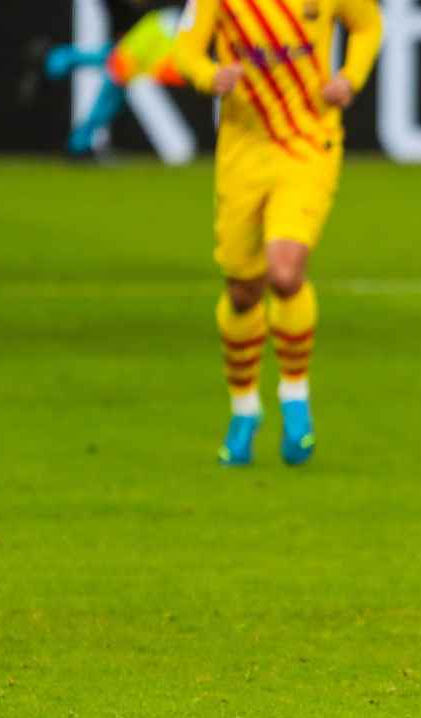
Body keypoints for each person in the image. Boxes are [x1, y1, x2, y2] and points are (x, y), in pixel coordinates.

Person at [172, 0, 381, 466]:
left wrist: (350, 76)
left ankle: (294, 396)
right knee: (243, 291)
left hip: (309, 143)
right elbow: (185, 49)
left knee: (285, 273)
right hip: (243, 152)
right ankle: (245, 408)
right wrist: (210, 75)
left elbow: (367, 24)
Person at [36, 1, 185, 159]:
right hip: (138, 51)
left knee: (106, 66)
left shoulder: (165, 19)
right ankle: (78, 144)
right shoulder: (164, 21)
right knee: (107, 97)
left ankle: (54, 60)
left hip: (139, 47)